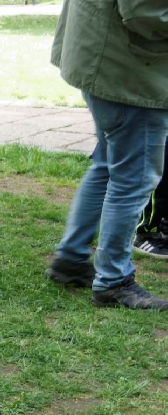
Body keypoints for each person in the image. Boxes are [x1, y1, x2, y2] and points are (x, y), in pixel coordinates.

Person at [45, 0, 168, 309]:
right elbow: (145, 12)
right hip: (129, 73)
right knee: (133, 179)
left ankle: (71, 258)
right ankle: (114, 280)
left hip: (104, 58)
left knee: (108, 164)